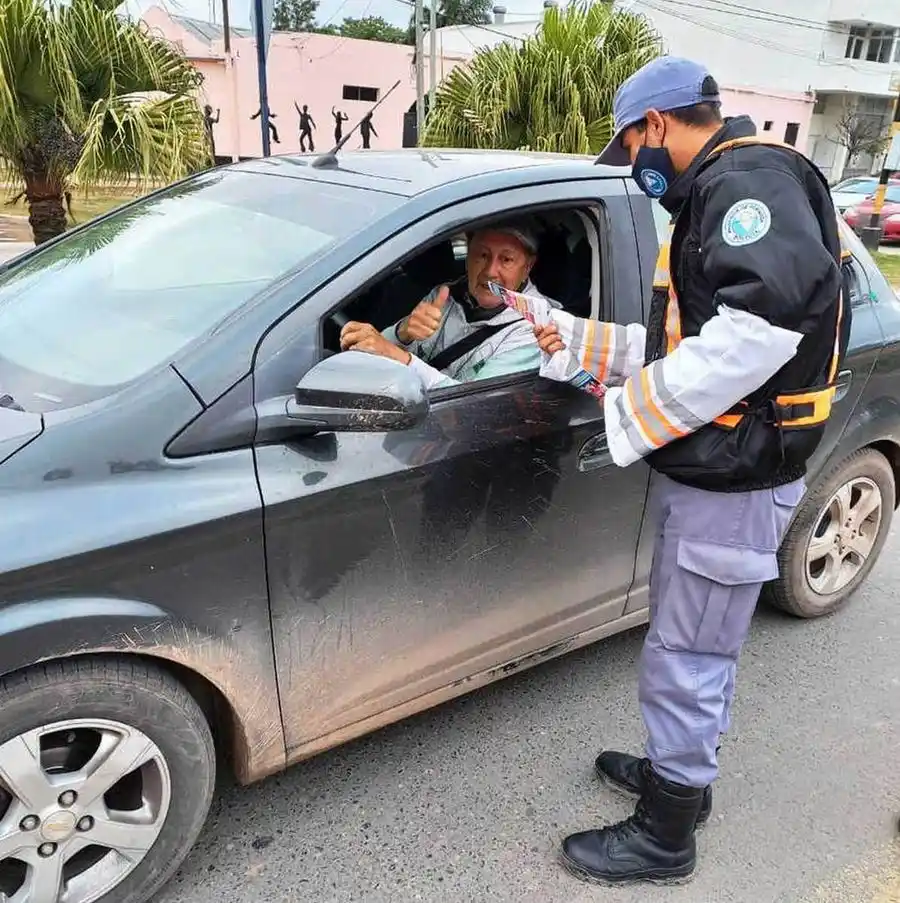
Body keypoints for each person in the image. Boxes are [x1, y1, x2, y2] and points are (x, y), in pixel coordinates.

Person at [533, 56, 850, 886]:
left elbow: (756, 338)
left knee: (691, 651)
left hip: (736, 475)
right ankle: (678, 774)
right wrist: (574, 337)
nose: (632, 163)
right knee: (688, 641)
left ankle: (668, 829)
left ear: (657, 125)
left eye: (629, 143)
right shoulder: (720, 185)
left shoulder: (746, 187)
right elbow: (689, 345)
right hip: (719, 466)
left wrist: (625, 418)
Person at [340, 222, 558, 389]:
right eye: (482, 255)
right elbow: (379, 350)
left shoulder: (537, 329)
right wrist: (402, 332)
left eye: (507, 260)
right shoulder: (444, 295)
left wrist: (402, 359)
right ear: (468, 256)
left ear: (528, 267)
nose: (490, 271)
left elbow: (474, 406)